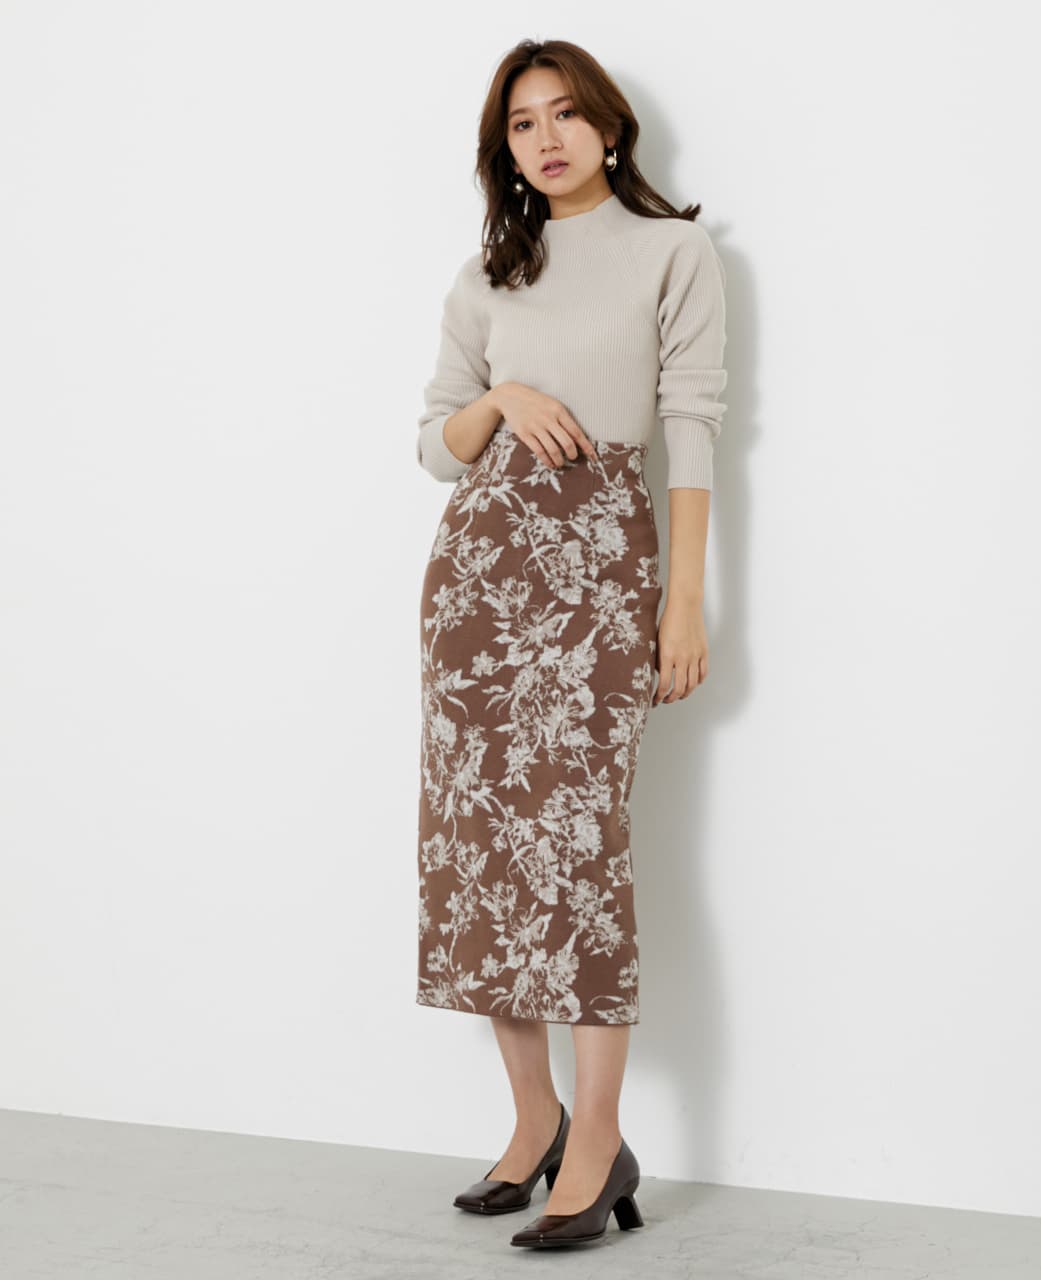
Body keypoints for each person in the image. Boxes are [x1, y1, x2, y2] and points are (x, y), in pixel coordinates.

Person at [414, 38, 728, 1249]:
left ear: (608, 126)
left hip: (600, 568)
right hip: (477, 579)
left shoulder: (671, 252)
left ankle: (597, 1137)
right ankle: (533, 1116)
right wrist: (498, 402)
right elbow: (433, 442)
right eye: (520, 123)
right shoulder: (487, 276)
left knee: (580, 850)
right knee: (483, 852)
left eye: (563, 114)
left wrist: (681, 602)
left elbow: (692, 422)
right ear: (503, 150)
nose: (544, 139)